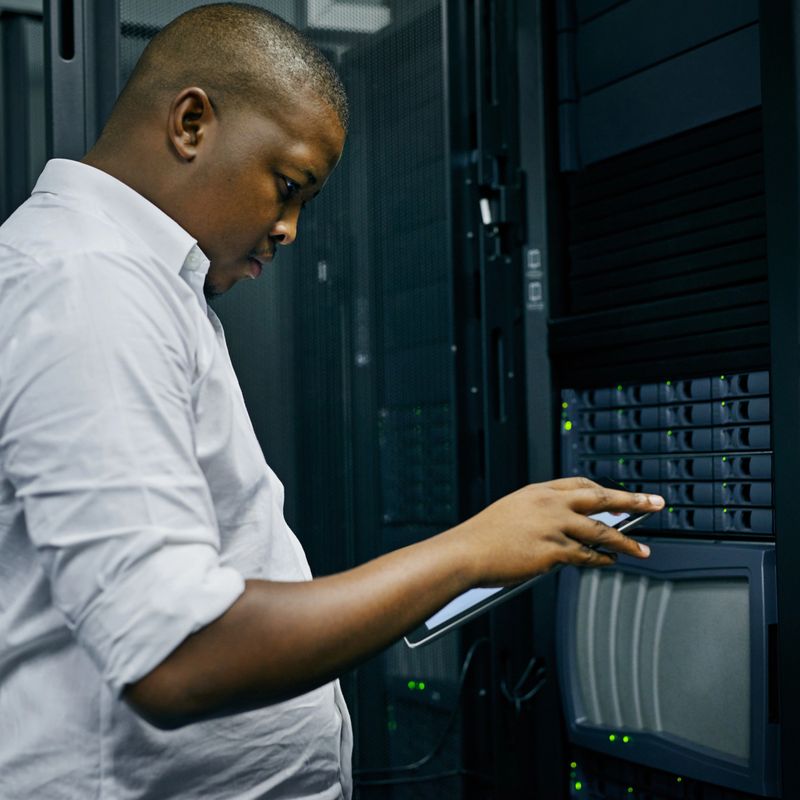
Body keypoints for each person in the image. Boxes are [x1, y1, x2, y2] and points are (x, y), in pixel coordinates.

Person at [0, 3, 663, 798]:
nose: (288, 230)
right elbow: (174, 654)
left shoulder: (142, 286)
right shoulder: (87, 285)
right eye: (288, 186)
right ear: (190, 122)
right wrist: (467, 552)